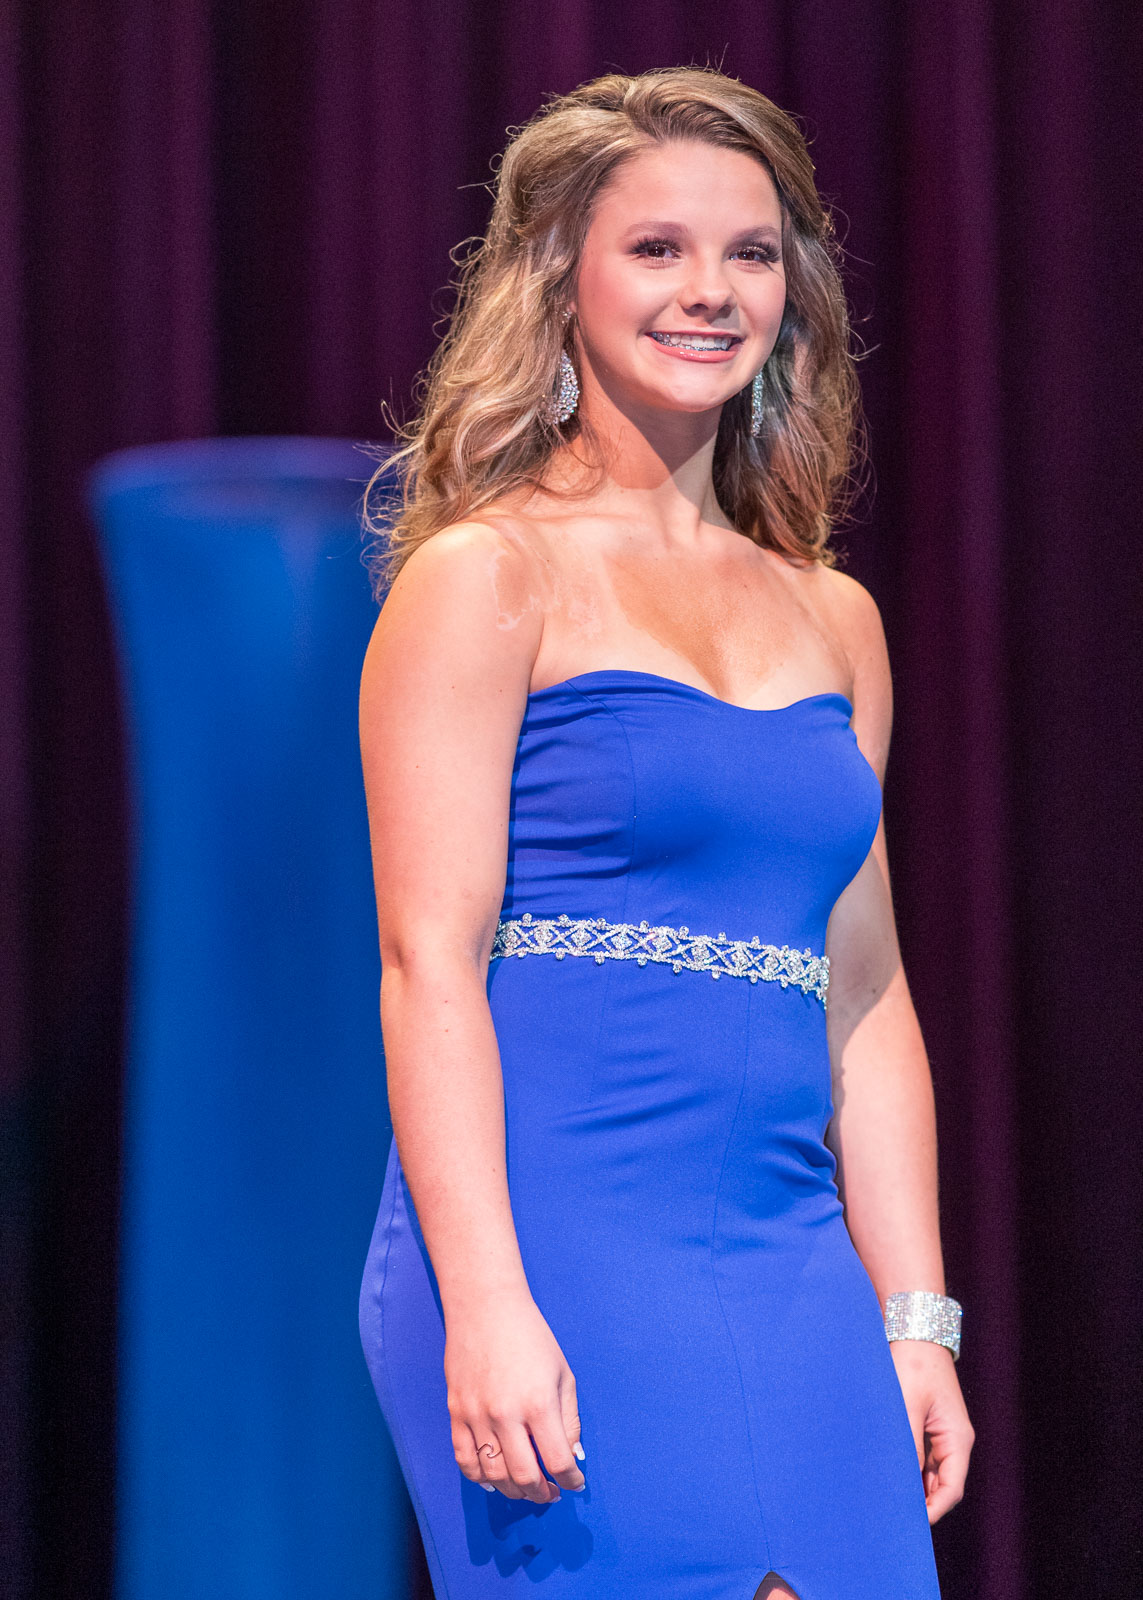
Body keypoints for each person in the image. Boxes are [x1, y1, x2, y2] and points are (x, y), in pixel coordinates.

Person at [357, 66, 974, 1600]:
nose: (711, 290)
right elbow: (428, 964)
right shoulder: (485, 575)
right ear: (558, 276)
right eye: (658, 248)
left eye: (751, 252)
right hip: (557, 1240)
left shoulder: (835, 618)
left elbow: (868, 994)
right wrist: (485, 1300)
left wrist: (917, 1319)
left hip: (792, 1258)